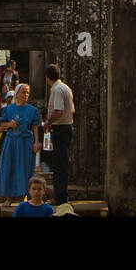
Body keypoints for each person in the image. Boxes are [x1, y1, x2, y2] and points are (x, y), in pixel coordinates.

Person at [0, 84, 40, 203]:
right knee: (9, 167)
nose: (26, 95)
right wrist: (10, 125)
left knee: (25, 169)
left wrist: (36, 142)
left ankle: (23, 196)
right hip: (11, 141)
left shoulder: (32, 110)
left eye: (28, 92)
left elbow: (35, 127)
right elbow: (2, 125)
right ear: (17, 94)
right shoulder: (8, 109)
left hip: (25, 142)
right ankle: (8, 197)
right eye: (23, 92)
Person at [43, 64, 74, 205]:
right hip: (67, 126)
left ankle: (60, 197)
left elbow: (59, 111)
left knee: (59, 165)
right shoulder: (65, 88)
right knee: (62, 163)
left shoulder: (56, 89)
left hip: (61, 128)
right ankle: (61, 195)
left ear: (47, 77)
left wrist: (49, 122)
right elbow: (71, 110)